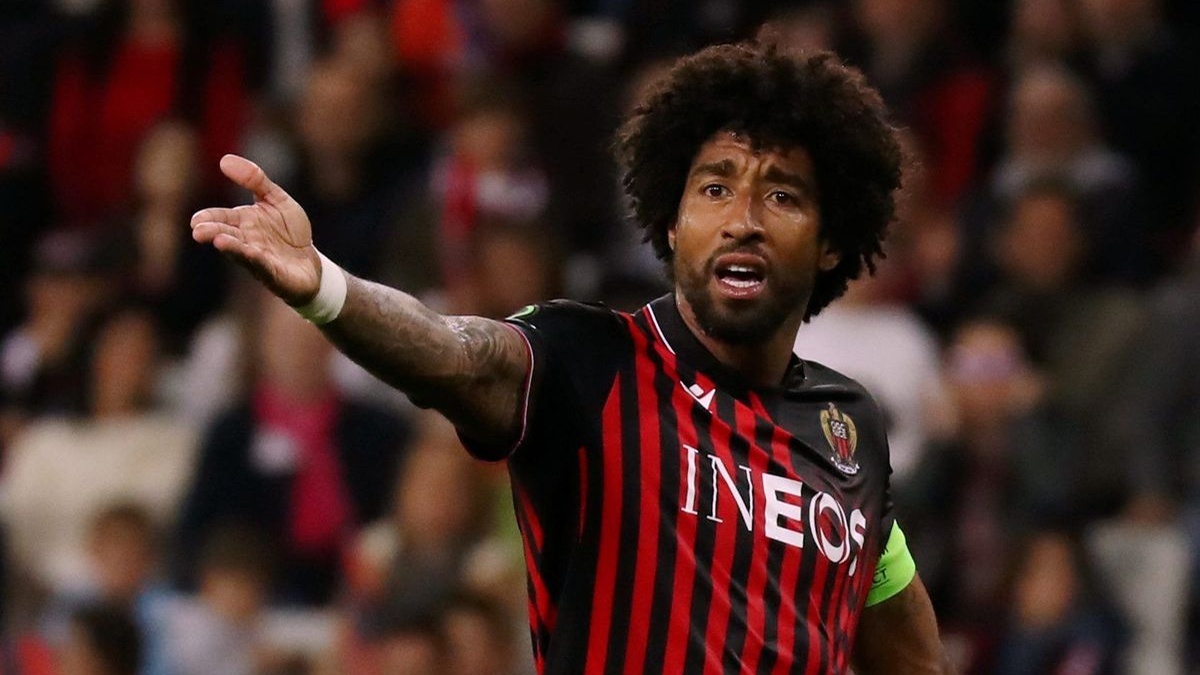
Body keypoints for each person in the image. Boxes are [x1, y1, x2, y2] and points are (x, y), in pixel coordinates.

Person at [192, 41, 948, 673]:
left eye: (782, 196)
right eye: (715, 188)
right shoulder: (590, 360)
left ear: (831, 242)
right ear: (672, 223)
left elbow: (907, 645)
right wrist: (328, 288)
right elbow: (455, 354)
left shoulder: (851, 428)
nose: (742, 219)